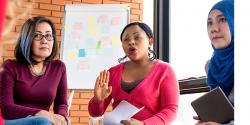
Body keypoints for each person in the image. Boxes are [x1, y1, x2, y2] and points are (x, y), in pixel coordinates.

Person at [88, 22, 179, 125]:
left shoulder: (165, 70)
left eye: (137, 37)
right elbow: (95, 113)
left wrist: (143, 124)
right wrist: (97, 100)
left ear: (150, 41)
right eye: (126, 39)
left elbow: (171, 110)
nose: (131, 42)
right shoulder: (112, 73)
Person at [0, 16, 68, 125]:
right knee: (43, 122)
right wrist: (41, 113)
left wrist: (60, 117)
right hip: (13, 121)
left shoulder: (59, 67)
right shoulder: (9, 66)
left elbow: (61, 104)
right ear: (27, 39)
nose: (44, 41)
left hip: (44, 121)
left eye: (49, 35)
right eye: (37, 35)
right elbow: (6, 108)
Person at [194, 0, 234, 125]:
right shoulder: (212, 66)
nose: (214, 29)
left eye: (222, 19)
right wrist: (207, 119)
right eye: (209, 23)